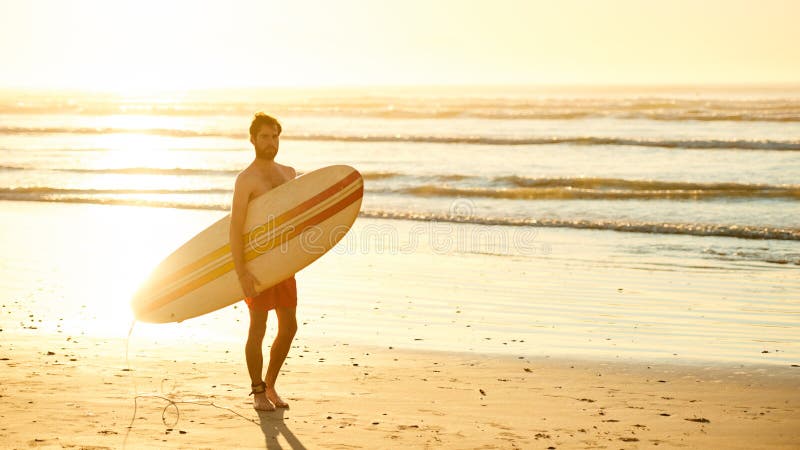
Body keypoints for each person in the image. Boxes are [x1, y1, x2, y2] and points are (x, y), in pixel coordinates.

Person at [229, 112, 298, 411]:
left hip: (283, 263)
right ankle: (257, 391)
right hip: (257, 262)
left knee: (289, 326)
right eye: (265, 137)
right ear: (253, 139)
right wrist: (241, 271)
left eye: (275, 136)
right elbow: (236, 226)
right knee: (258, 327)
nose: (271, 142)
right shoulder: (246, 180)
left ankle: (270, 384)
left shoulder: (290, 173)